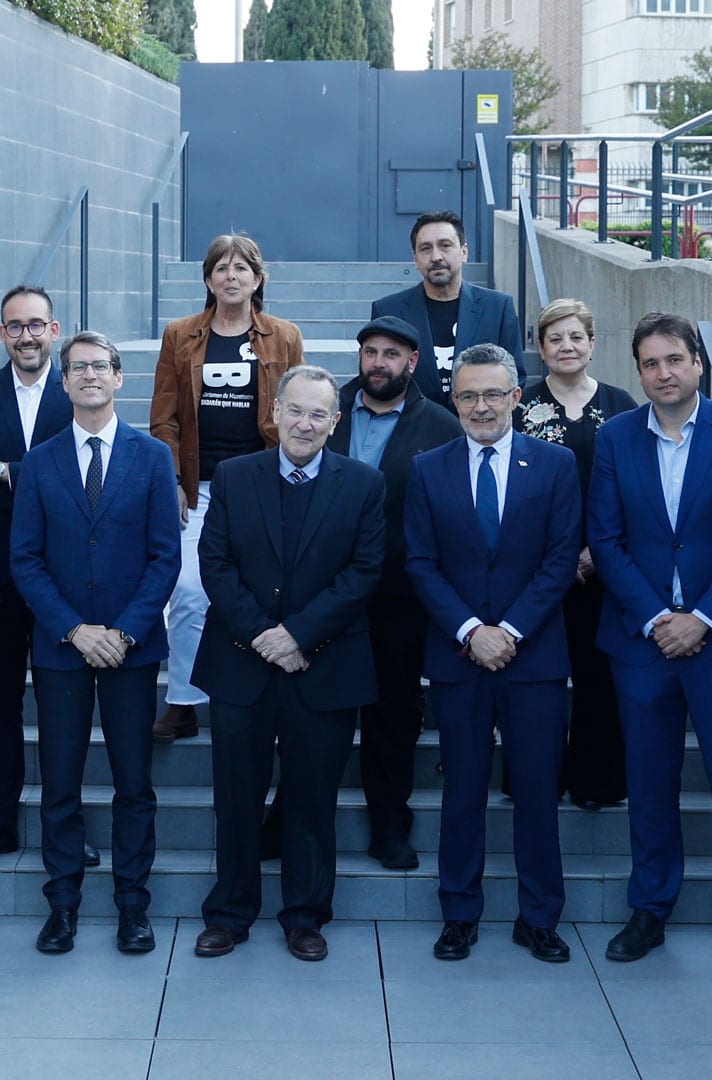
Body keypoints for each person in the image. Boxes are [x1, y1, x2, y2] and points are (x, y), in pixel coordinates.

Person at [589, 312, 712, 976]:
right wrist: (655, 618)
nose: (663, 373)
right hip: (641, 644)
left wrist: (701, 618)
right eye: (650, 363)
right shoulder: (615, 439)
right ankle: (650, 908)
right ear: (637, 372)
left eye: (674, 359)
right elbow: (606, 542)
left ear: (698, 362)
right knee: (649, 783)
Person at [192, 366, 386, 962]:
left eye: (319, 414)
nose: (305, 424)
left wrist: (299, 635)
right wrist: (263, 636)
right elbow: (215, 563)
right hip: (241, 667)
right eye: (295, 411)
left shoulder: (362, 484)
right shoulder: (231, 475)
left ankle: (305, 916)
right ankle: (229, 913)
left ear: (336, 421)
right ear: (274, 412)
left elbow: (364, 572)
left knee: (311, 798)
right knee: (237, 798)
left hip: (323, 668)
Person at [404, 343, 581, 962]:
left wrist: (509, 631)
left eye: (493, 394)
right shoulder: (429, 468)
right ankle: (459, 914)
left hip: (533, 660)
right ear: (454, 401)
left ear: (516, 397)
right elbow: (421, 564)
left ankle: (539, 917)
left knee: (536, 791)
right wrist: (470, 631)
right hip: (458, 660)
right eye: (469, 395)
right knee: (463, 793)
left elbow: (561, 561)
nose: (481, 407)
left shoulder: (556, 466)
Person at [10, 331, 182, 955]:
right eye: (76, 367)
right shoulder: (39, 461)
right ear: (63, 382)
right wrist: (75, 629)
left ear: (118, 378)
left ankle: (134, 906)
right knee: (59, 782)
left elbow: (165, 557)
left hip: (131, 650)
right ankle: (63, 906)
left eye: (99, 366)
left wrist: (125, 630)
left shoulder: (152, 457)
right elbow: (25, 560)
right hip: (61, 648)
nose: (88, 375)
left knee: (133, 781)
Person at [0, 285, 97, 869]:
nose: (27, 335)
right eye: (15, 326)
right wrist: (23, 475)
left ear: (54, 331)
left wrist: (4, 470)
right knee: (1, 705)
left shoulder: (79, 391)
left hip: (65, 577)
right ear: (1, 334)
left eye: (37, 325)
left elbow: (82, 468)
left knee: (66, 708)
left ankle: (67, 829)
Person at [149, 232, 305, 742]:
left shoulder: (284, 336)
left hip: (264, 486)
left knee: (265, 592)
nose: (231, 276)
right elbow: (164, 419)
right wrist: (172, 478)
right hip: (200, 489)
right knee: (191, 591)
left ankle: (264, 694)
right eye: (221, 268)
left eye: (242, 268)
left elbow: (298, 412)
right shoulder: (180, 335)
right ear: (208, 279)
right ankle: (185, 701)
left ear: (258, 279)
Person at [328, 316, 461, 870]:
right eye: (370, 352)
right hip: (322, 593)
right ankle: (288, 817)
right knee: (315, 715)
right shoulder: (325, 411)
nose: (378, 362)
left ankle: (390, 825)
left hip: (399, 595)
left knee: (392, 715)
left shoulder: (442, 426)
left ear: (412, 362)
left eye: (392, 354)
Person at [513, 299, 639, 808]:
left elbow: (636, 487)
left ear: (591, 343)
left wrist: (594, 551)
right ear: (541, 348)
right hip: (536, 567)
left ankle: (594, 780)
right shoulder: (520, 404)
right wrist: (558, 556)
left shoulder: (622, 404)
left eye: (575, 337)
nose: (566, 347)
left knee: (596, 675)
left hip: (602, 566)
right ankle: (527, 777)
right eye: (555, 339)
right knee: (534, 678)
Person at [370, 209, 527, 409]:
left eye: (445, 246)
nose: (436, 256)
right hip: (413, 432)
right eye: (426, 248)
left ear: (464, 252)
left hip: (478, 430)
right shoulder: (387, 310)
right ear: (415, 259)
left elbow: (516, 377)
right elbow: (379, 380)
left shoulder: (498, 307)